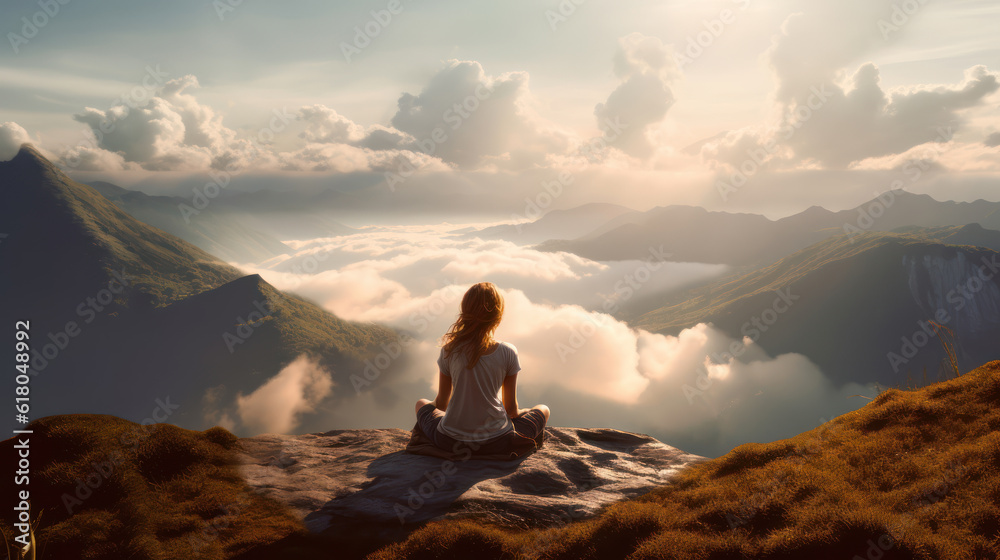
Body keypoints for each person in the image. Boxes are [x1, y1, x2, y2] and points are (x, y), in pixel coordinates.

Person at [414, 282, 550, 456]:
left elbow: (441, 404)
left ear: (464, 312)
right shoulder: (507, 352)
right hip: (497, 441)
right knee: (544, 409)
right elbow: (511, 411)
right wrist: (524, 412)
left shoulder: (449, 350)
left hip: (448, 441)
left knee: (421, 404)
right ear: (497, 316)